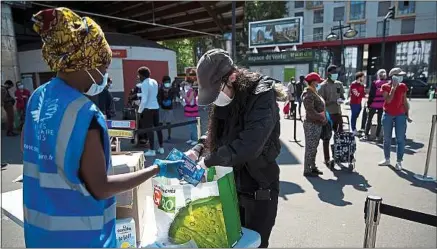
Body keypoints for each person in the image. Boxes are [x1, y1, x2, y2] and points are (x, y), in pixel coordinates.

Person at [23, 7, 184, 248]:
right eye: (102, 66)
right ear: (85, 62)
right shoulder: (84, 113)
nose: (102, 76)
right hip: (81, 239)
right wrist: (156, 170)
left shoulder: (38, 97)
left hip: (39, 235)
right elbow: (101, 188)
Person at [185, 49, 282, 248]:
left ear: (233, 77)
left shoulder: (262, 95)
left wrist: (208, 162)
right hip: (230, 187)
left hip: (259, 189)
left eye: (217, 91)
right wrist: (198, 148)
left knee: (255, 243)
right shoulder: (224, 97)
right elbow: (216, 132)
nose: (216, 99)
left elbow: (249, 144)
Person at [378, 68, 409, 170]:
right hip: (388, 115)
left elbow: (404, 101)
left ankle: (399, 162)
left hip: (400, 115)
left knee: (400, 139)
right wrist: (393, 88)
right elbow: (388, 100)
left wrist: (407, 114)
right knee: (387, 139)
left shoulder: (403, 86)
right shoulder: (385, 86)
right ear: (393, 77)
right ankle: (387, 159)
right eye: (399, 75)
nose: (401, 77)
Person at [318, 65, 345, 167]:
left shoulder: (339, 84)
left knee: (339, 136)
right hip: (328, 115)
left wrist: (341, 100)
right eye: (333, 73)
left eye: (336, 73)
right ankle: (327, 159)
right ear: (328, 74)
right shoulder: (322, 85)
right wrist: (332, 101)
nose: (335, 75)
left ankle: (338, 156)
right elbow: (320, 101)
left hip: (338, 114)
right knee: (326, 137)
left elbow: (342, 96)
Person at [302, 73, 326, 177]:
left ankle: (312, 166)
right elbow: (310, 111)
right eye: (317, 81)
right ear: (313, 82)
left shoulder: (314, 92)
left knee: (314, 147)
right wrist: (321, 117)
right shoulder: (309, 94)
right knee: (310, 147)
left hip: (316, 123)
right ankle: (307, 170)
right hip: (311, 124)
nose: (319, 83)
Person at [137, 66, 164, 156]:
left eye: (139, 75)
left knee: (149, 129)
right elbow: (152, 94)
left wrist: (139, 110)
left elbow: (144, 99)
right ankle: (161, 148)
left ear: (142, 75)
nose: (138, 77)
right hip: (155, 107)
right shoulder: (154, 81)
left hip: (147, 109)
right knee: (158, 128)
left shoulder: (144, 83)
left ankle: (152, 150)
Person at [362, 69, 387, 141]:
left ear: (378, 76)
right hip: (382, 105)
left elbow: (371, 95)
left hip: (373, 104)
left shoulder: (375, 83)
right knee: (380, 121)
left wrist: (368, 104)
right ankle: (377, 136)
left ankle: (366, 135)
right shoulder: (387, 84)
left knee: (369, 119)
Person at [181, 79, 199, 146]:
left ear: (190, 84)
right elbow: (185, 101)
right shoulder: (188, 91)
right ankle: (191, 138)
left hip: (192, 111)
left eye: (187, 84)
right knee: (189, 126)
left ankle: (195, 139)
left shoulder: (192, 91)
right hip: (188, 110)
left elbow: (189, 100)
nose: (186, 85)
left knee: (193, 126)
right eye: (185, 84)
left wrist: (184, 95)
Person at [158, 75, 175, 142]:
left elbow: (172, 96)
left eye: (168, 81)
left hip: (169, 108)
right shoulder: (160, 89)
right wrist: (162, 102)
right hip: (162, 108)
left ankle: (169, 136)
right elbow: (158, 98)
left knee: (168, 123)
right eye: (166, 82)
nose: (167, 83)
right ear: (163, 82)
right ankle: (160, 136)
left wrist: (169, 100)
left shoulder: (171, 88)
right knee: (160, 123)